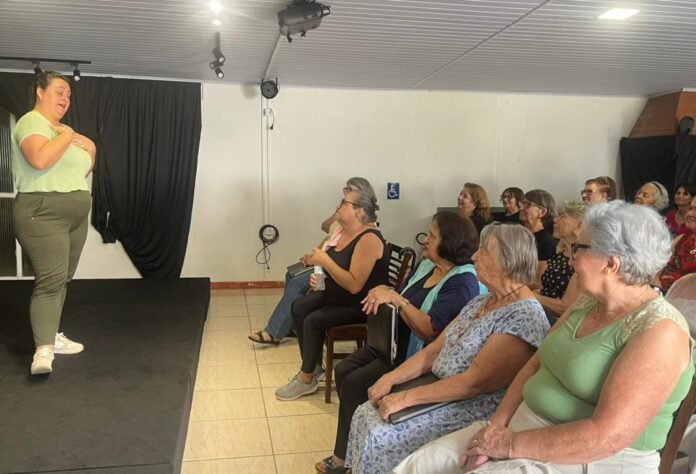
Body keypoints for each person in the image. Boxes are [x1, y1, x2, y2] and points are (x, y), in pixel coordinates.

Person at [395, 201, 694, 474]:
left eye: (577, 249)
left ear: (610, 263)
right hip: (520, 433)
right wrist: (495, 428)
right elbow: (534, 366)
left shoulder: (660, 331)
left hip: (587, 459)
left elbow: (607, 437)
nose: (570, 258)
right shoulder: (587, 302)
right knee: (419, 465)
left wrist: (508, 445)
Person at [343, 224, 550, 474]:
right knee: (365, 412)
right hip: (439, 389)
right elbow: (433, 351)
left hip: (471, 406)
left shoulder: (524, 315)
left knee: (382, 433)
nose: (474, 256)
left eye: (483, 251)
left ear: (507, 261)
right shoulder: (483, 301)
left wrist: (405, 398)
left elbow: (474, 383)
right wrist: (390, 379)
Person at [315, 211, 485, 474]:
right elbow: (400, 293)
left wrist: (396, 299)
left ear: (449, 243)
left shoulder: (462, 282)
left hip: (415, 357)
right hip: (391, 343)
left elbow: (430, 331)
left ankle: (344, 458)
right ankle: (351, 449)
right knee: (344, 370)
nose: (425, 240)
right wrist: (385, 293)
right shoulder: (427, 265)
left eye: (432, 236)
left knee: (354, 383)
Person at [12, 71, 96, 375]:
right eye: (59, 91)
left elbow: (77, 172)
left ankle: (51, 335)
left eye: (69, 95)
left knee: (62, 279)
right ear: (40, 91)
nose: (65, 98)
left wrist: (92, 150)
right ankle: (43, 352)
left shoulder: (62, 131)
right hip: (43, 212)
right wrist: (67, 136)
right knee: (50, 281)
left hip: (75, 214)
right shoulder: (32, 122)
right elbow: (39, 160)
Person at [274, 187, 390, 401]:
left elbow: (354, 285)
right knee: (299, 306)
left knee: (313, 320)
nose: (338, 206)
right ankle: (313, 367)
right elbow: (335, 270)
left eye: (344, 203)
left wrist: (325, 261)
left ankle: (306, 377)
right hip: (339, 296)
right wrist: (320, 278)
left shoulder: (369, 239)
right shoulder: (343, 232)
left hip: (360, 304)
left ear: (359, 212)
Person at [248, 177, 376, 346]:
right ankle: (292, 325)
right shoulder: (343, 220)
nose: (346, 193)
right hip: (325, 263)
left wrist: (320, 261)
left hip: (333, 271)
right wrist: (338, 214)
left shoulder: (365, 230)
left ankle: (274, 332)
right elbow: (326, 232)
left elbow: (347, 266)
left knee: (297, 282)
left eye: (350, 190)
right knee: (291, 274)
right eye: (345, 190)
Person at [534, 201, 587, 321]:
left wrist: (527, 295)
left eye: (563, 216)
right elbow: (545, 289)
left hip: (561, 320)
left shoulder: (583, 259)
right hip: (541, 312)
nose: (555, 220)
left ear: (579, 225)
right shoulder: (561, 254)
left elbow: (565, 307)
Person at [519, 189, 557, 289]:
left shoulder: (546, 242)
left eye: (527, 205)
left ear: (542, 212)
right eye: (521, 204)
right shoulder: (520, 235)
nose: (521, 208)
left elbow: (538, 281)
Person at [659, 195, 696, 292]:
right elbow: (657, 269)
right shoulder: (680, 240)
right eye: (690, 208)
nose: (690, 214)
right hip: (663, 293)